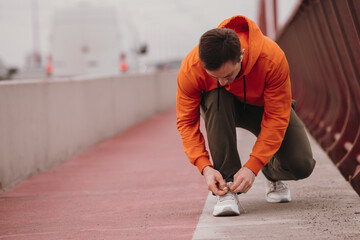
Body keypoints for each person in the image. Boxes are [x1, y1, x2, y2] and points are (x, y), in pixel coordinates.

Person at [176, 15, 316, 217]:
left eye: (228, 75)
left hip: (262, 108)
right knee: (217, 95)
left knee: (301, 164)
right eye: (214, 77)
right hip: (220, 109)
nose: (223, 82)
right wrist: (204, 166)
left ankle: (271, 171)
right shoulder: (192, 68)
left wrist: (254, 165)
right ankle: (226, 189)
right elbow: (187, 122)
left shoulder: (271, 58)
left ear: (241, 56)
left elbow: (277, 117)